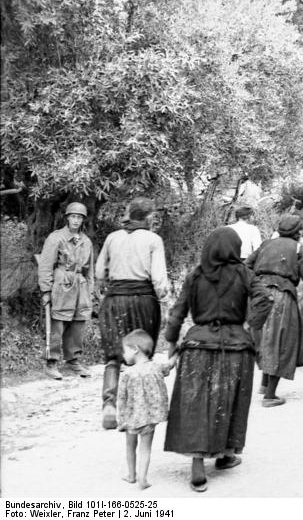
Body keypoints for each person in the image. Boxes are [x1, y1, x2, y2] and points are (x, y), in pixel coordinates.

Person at [164, 227, 268, 492]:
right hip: (236, 346)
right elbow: (265, 299)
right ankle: (226, 455)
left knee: (196, 403)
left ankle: (197, 463)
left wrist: (171, 344)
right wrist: (251, 327)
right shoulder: (244, 273)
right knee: (231, 400)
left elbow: (177, 312)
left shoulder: (196, 274)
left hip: (197, 346)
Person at [96, 197, 169, 430]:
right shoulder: (153, 240)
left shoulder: (112, 237)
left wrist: (106, 290)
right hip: (143, 300)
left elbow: (99, 273)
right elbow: (158, 278)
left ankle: (109, 405)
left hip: (115, 300)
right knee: (141, 352)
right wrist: (165, 302)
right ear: (148, 217)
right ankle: (137, 407)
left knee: (113, 356)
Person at [246, 214, 303, 407]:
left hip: (259, 295)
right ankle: (270, 396)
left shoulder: (266, 244)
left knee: (264, 339)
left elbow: (246, 266)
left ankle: (264, 385)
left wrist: (255, 284)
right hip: (282, 297)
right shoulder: (298, 248)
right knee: (281, 342)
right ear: (298, 231)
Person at [37, 202, 94, 380]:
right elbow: (45, 265)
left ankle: (73, 360)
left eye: (79, 217)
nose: (76, 220)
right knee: (58, 322)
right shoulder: (56, 238)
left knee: (78, 323)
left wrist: (90, 292)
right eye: (73, 217)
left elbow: (90, 270)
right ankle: (51, 362)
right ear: (68, 218)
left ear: (83, 220)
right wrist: (46, 290)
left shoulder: (86, 241)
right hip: (62, 283)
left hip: (80, 285)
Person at [117, 329, 175, 490]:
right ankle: (142, 478)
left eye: (125, 350)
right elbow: (169, 365)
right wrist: (176, 353)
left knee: (130, 446)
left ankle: (131, 475)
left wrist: (120, 419)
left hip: (131, 419)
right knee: (145, 449)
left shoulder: (127, 373)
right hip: (150, 419)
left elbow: (121, 398)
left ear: (135, 349)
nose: (123, 354)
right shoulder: (156, 367)